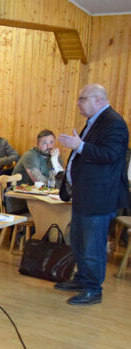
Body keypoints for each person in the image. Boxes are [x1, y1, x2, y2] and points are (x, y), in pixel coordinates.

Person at [56, 84, 129, 305]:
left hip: (99, 198)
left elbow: (111, 155)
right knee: (78, 242)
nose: (78, 103)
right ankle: (81, 279)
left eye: (82, 99)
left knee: (93, 247)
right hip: (84, 195)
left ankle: (93, 289)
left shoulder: (114, 123)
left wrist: (80, 146)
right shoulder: (96, 120)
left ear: (97, 100)